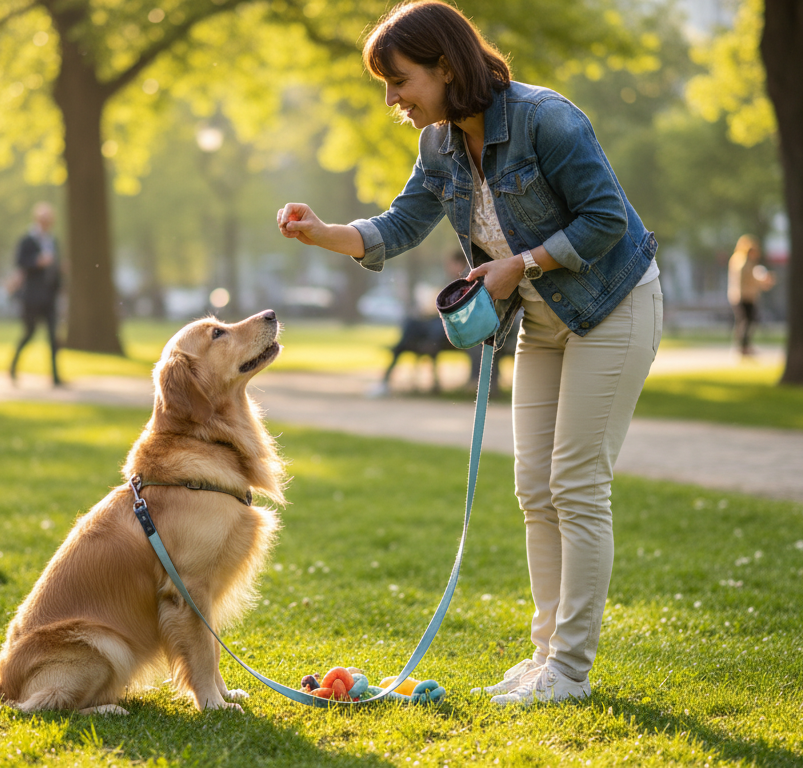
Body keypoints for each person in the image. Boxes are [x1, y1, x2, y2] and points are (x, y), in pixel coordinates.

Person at [277, 1, 662, 706]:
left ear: (445, 67)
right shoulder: (440, 146)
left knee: (576, 484)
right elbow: (398, 226)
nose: (392, 99)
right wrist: (322, 231)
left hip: (612, 306)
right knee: (533, 490)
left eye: (399, 81)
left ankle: (570, 671)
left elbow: (607, 218)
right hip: (543, 320)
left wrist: (525, 261)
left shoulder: (548, 120)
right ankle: (545, 657)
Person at [10, 202, 63, 386]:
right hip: (32, 297)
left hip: (49, 296)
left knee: (53, 337)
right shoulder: (27, 240)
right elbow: (20, 262)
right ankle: (13, 366)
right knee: (29, 332)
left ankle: (55, 377)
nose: (47, 222)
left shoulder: (52, 241)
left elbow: (56, 266)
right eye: (44, 219)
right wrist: (37, 262)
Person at [726, 235, 774, 356]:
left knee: (748, 321)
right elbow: (748, 278)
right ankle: (742, 346)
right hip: (742, 296)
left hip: (749, 296)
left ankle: (744, 345)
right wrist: (761, 280)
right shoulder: (741, 261)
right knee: (745, 321)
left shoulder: (747, 262)